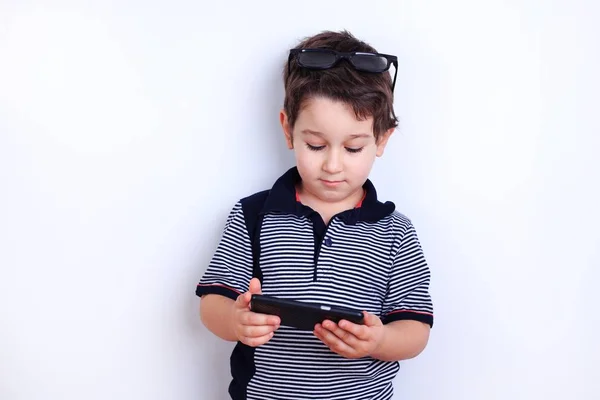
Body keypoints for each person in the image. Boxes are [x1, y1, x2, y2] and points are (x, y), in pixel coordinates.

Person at [196, 29, 434, 400]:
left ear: (382, 140)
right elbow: (212, 301)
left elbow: (416, 330)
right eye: (316, 145)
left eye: (353, 148)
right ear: (288, 129)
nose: (333, 165)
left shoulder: (395, 232)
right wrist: (234, 320)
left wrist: (380, 339)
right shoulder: (253, 215)